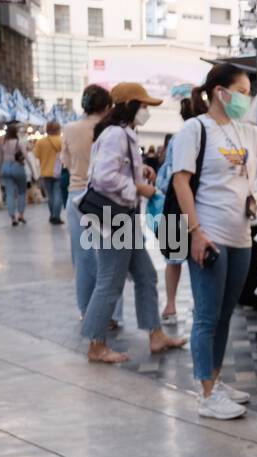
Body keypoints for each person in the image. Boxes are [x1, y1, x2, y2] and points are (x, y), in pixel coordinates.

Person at [170, 63, 257, 420]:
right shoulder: (194, 129)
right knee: (206, 316)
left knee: (223, 315)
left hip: (240, 237)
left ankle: (215, 380)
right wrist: (195, 233)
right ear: (221, 92)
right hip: (210, 236)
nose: (246, 98)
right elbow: (180, 182)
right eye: (243, 91)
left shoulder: (246, 132)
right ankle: (206, 393)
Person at [80, 82, 186, 365]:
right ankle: (96, 344)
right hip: (115, 219)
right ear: (129, 106)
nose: (146, 111)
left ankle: (155, 335)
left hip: (122, 219)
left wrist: (140, 173)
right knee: (110, 283)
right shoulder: (116, 134)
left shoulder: (121, 133)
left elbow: (113, 172)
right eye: (143, 106)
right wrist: (138, 188)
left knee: (146, 276)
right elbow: (103, 178)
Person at [63, 84, 123, 328]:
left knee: (83, 258)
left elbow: (66, 162)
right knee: (109, 259)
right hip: (104, 196)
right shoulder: (111, 130)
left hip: (76, 196)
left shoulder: (69, 128)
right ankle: (110, 314)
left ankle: (85, 309)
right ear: (107, 107)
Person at [149, 98, 197, 325]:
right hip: (195, 206)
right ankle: (200, 303)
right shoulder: (201, 135)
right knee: (199, 260)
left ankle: (170, 305)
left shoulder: (177, 139)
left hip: (172, 206)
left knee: (173, 260)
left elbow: (164, 177)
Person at [33, 121, 65, 224]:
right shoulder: (61, 141)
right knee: (58, 194)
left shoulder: (40, 142)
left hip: (45, 172)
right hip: (58, 172)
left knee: (50, 195)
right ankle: (56, 216)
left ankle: (52, 215)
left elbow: (36, 155)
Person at [0, 124, 28, 226]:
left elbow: (0, 157)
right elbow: (25, 155)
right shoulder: (18, 143)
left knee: (9, 193)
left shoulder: (3, 143)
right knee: (22, 192)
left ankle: (12, 218)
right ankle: (21, 214)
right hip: (17, 167)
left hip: (6, 167)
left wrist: (0, 170)